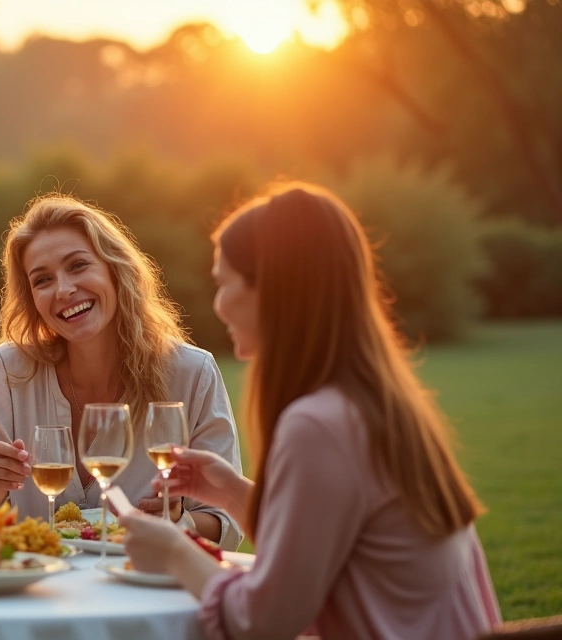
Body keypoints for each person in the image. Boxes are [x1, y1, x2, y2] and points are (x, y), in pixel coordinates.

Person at [120, 183, 502, 639]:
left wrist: (175, 552)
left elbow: (263, 621)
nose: (218, 305)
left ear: (273, 290)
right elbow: (322, 549)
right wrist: (232, 493)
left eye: (223, 283)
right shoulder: (371, 401)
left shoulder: (318, 425)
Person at [0, 193, 243, 551]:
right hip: (35, 582)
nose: (64, 290)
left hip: (139, 582)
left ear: (114, 269)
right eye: (42, 280)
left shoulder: (192, 373)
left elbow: (227, 523)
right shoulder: (9, 370)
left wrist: (180, 519)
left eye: (77, 265)